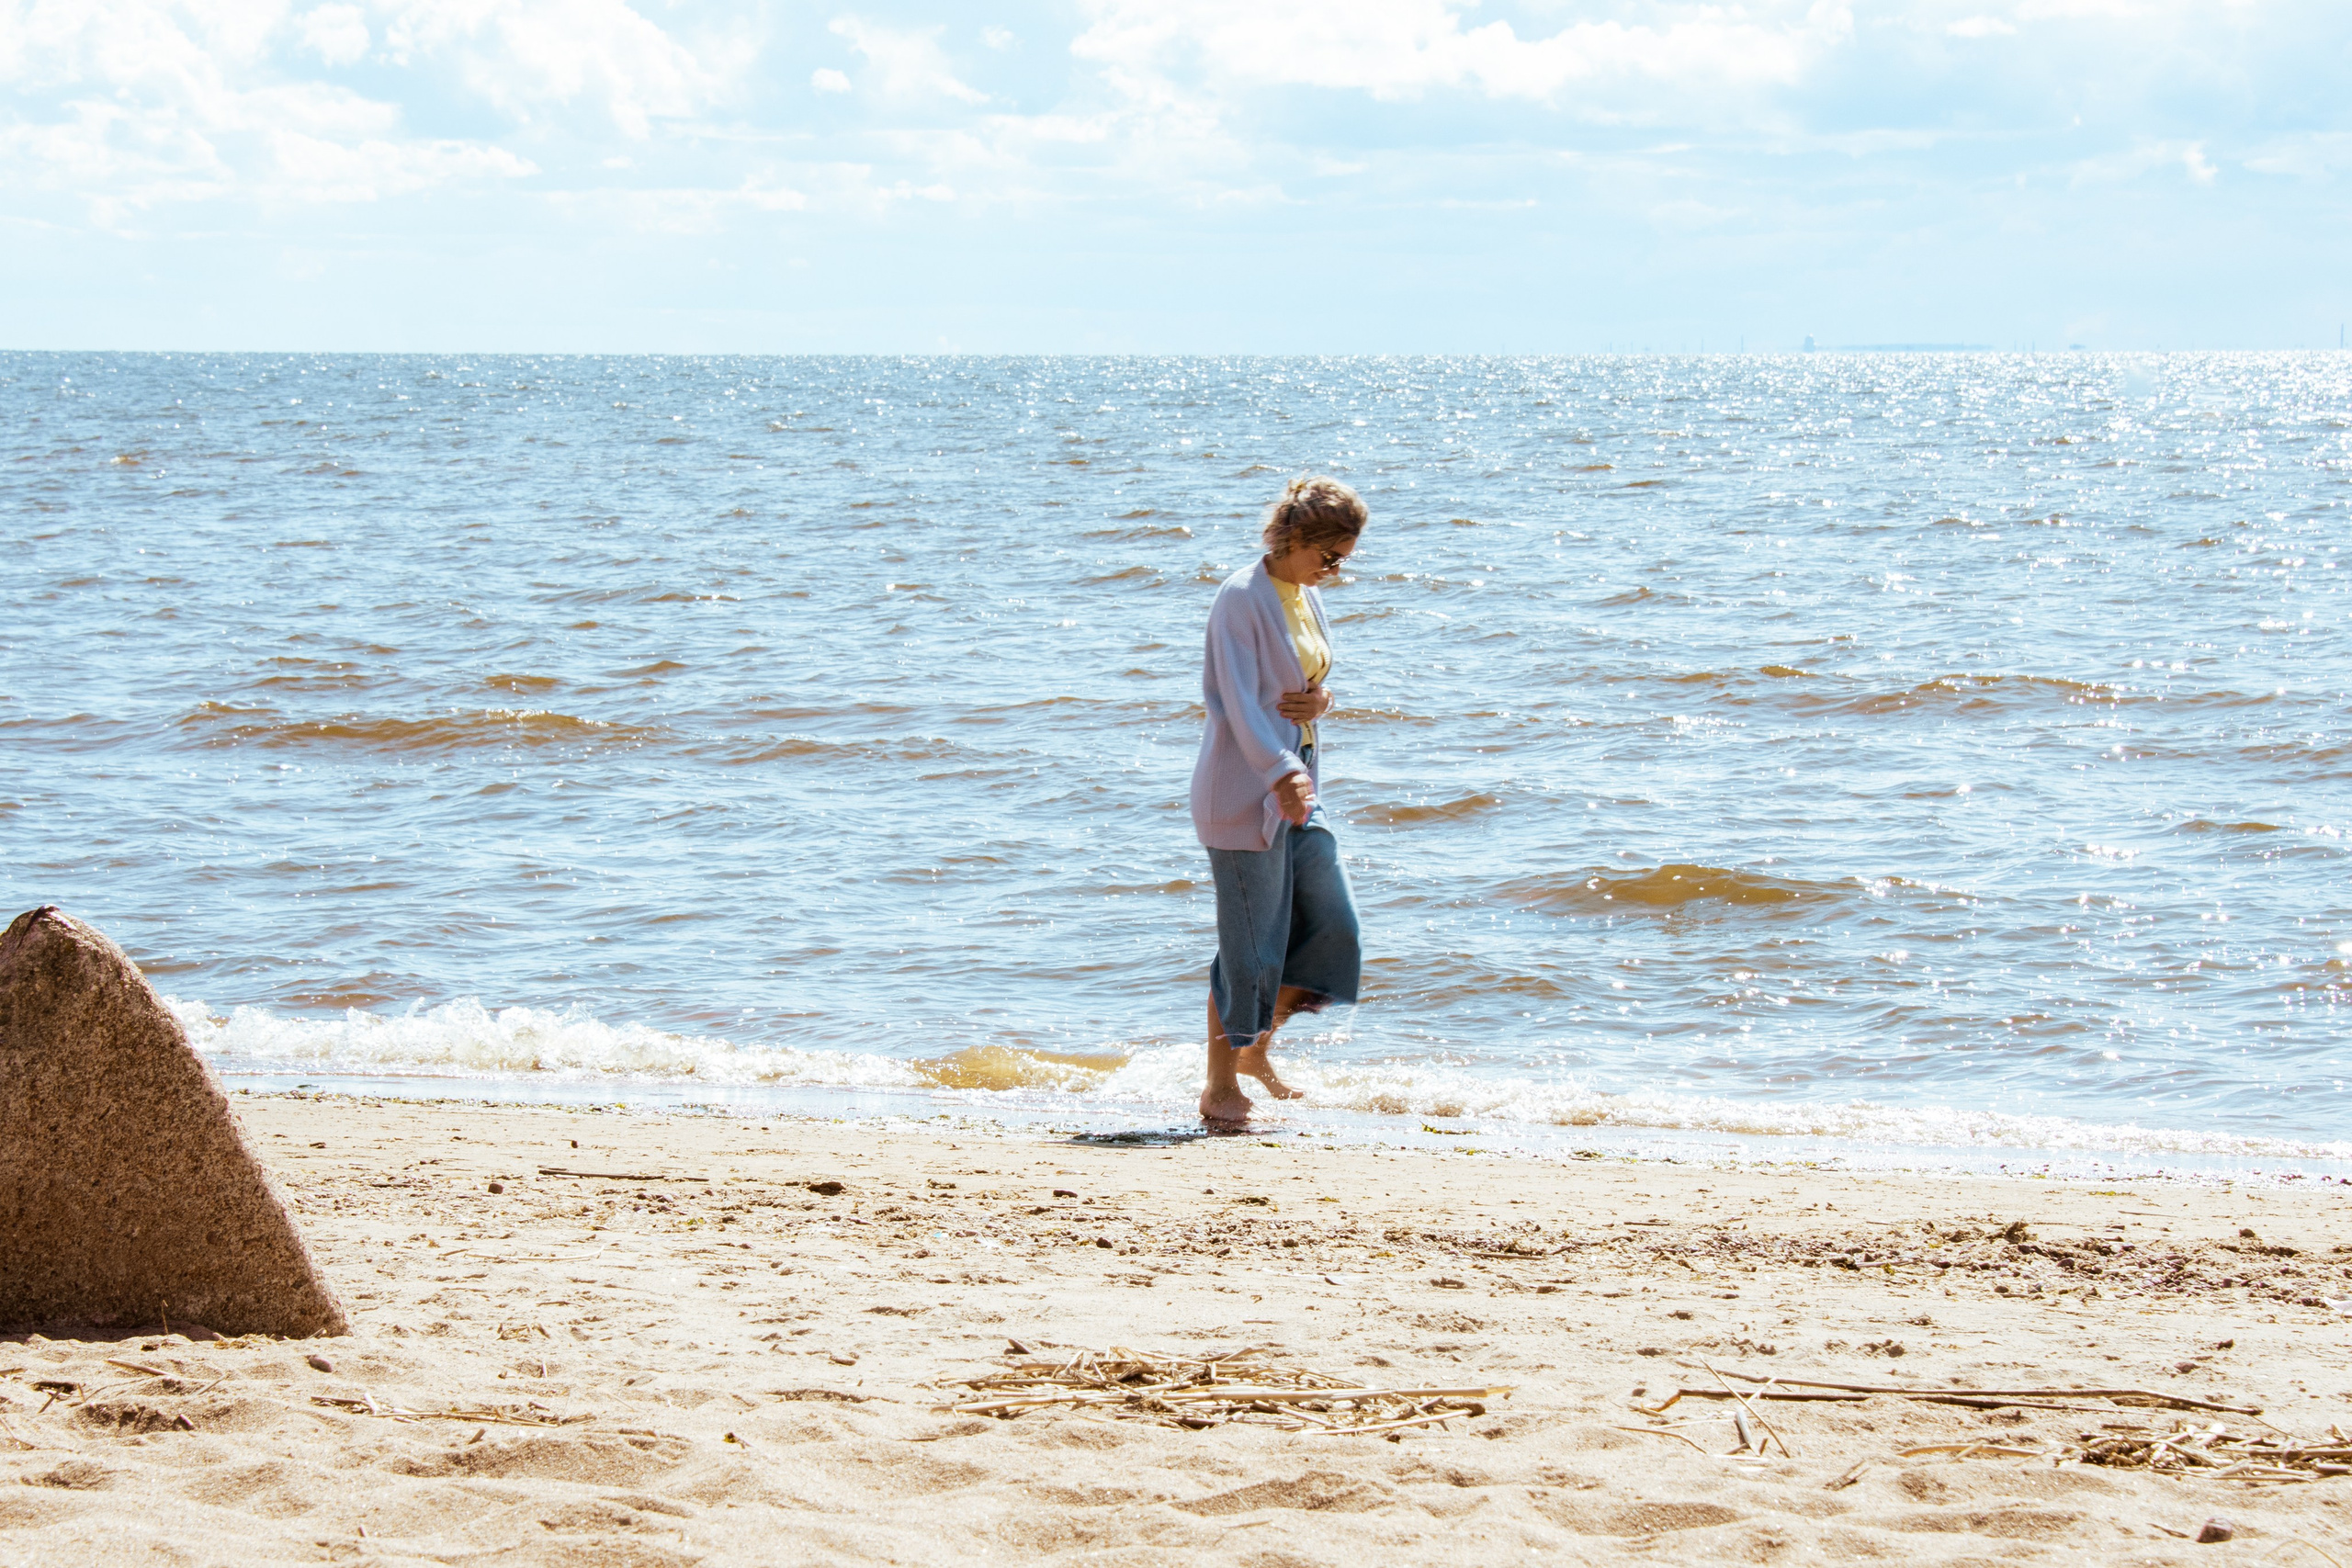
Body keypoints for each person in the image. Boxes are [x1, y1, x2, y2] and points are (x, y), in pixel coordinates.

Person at [1190, 475, 1367, 1123]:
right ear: (1295, 537)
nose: (1336, 570)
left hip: (1298, 788)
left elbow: (1309, 681)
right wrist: (1280, 770)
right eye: (1330, 556)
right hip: (1245, 794)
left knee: (1329, 931)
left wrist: (1324, 702)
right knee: (1250, 949)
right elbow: (1237, 703)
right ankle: (1221, 1084)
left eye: (1344, 559)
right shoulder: (1241, 598)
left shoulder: (1303, 594)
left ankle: (1255, 1047)